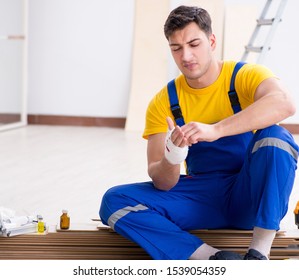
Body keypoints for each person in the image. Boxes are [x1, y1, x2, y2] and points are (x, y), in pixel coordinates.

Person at [99, 5, 298, 260]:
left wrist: (216, 130)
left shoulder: (243, 76)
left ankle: (259, 253)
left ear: (211, 41)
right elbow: (163, 182)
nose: (186, 56)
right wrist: (172, 156)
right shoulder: (164, 102)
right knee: (114, 200)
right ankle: (212, 258)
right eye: (176, 48)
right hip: (202, 198)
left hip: (248, 193)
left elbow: (285, 103)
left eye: (194, 44)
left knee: (276, 137)